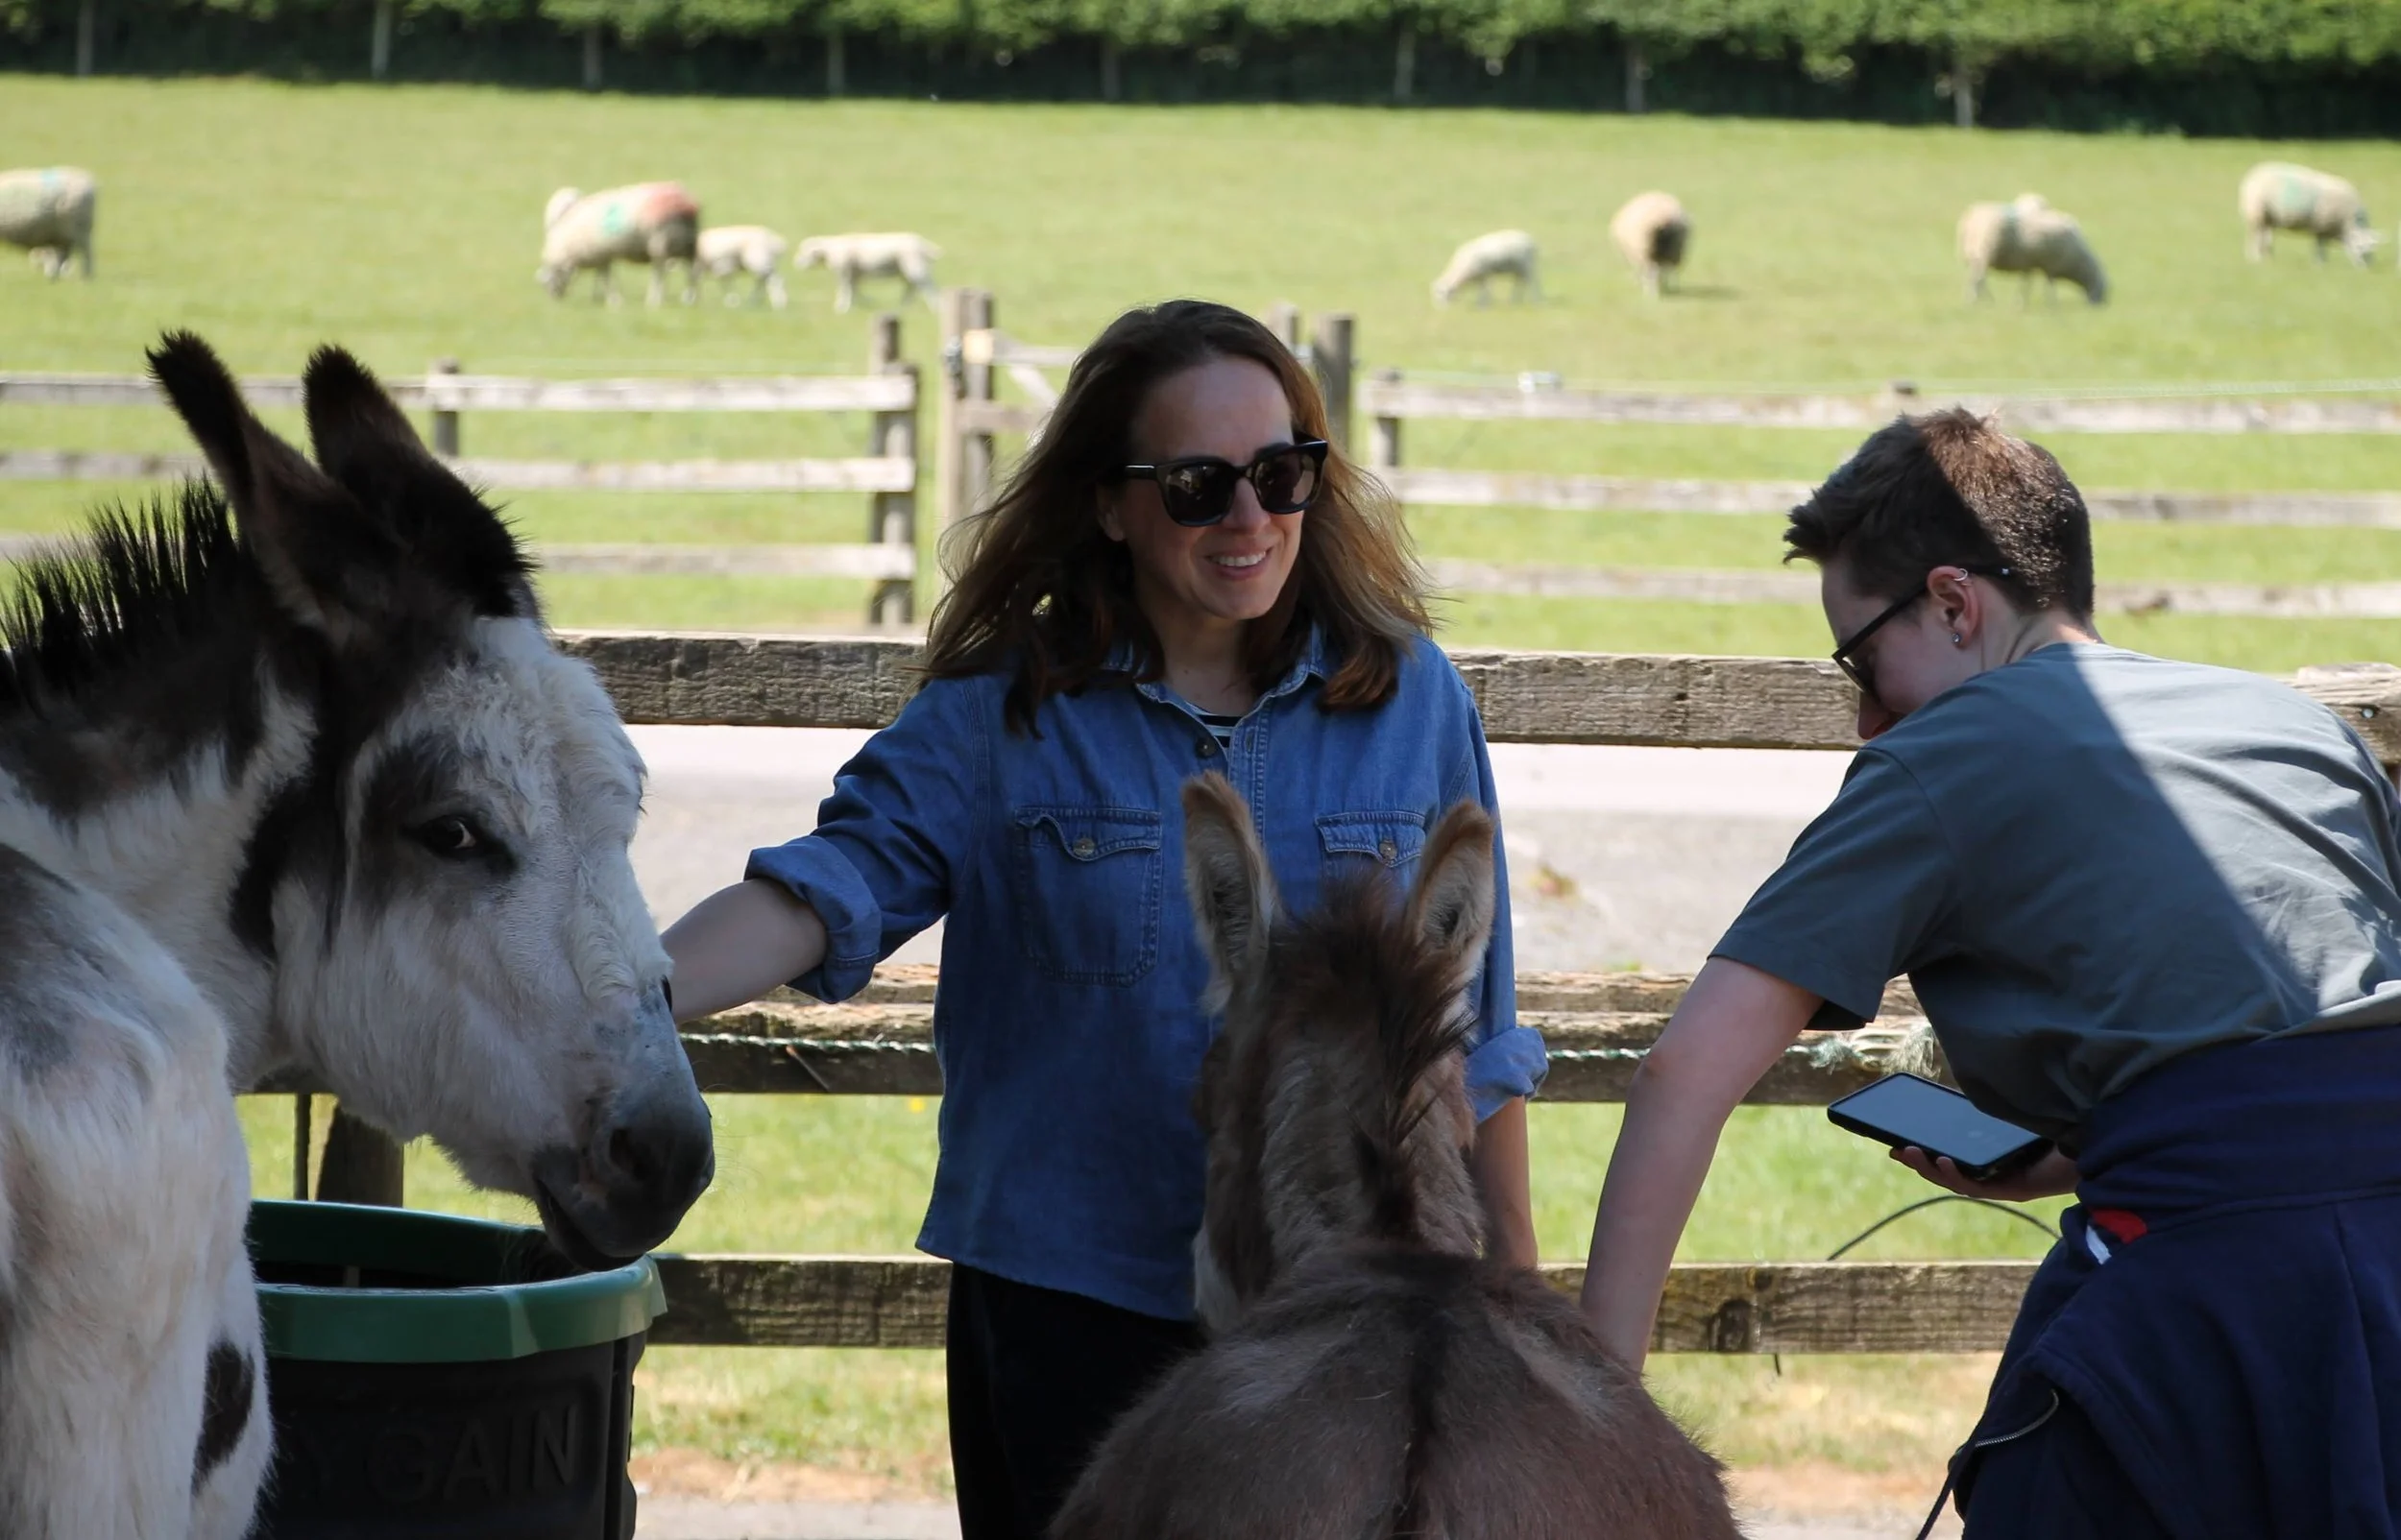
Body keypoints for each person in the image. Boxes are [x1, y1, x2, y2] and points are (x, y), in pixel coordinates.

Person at [662, 300, 1547, 1540]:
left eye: (1283, 475)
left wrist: (1518, 1298)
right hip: (1068, 1314)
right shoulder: (1002, 715)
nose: (1251, 518)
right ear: (1109, 503)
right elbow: (822, 892)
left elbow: (1481, 1038)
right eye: (1198, 486)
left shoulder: (1409, 696)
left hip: (1352, 1335)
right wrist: (623, 1000)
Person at [1578, 408, 2401, 1538]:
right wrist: (2087, 1152)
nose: (1866, 719)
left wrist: (1598, 1421)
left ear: (1956, 602)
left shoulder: (1937, 756)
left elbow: (1686, 1070)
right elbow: (2303, 1058)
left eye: (1861, 661)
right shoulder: (2298, 727)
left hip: (2203, 1301)